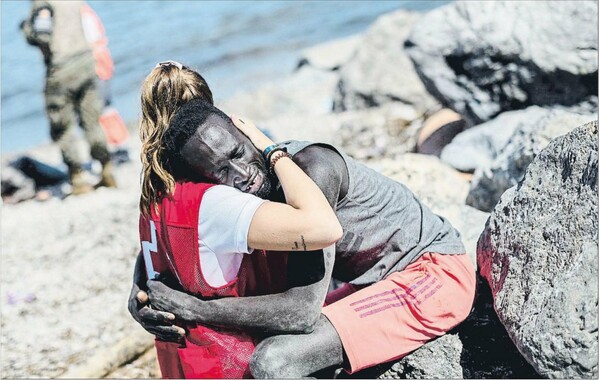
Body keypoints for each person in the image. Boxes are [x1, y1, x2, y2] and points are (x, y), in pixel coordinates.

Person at [129, 62, 476, 378]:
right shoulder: (235, 191)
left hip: (430, 273)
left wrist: (195, 309)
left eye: (239, 154)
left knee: (273, 360)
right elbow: (179, 230)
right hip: (373, 283)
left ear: (246, 133)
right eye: (221, 172)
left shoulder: (312, 168)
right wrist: (142, 289)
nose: (241, 175)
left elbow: (300, 312)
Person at [136, 62, 342, 378]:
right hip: (229, 361)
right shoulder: (213, 202)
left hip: (181, 364)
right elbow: (323, 229)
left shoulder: (154, 196)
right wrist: (273, 152)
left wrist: (138, 293)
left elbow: (156, 256)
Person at [20, 0, 116, 195]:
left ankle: (78, 177)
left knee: (62, 126)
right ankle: (106, 167)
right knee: (92, 120)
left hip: (62, 68)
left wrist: (26, 29)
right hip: (86, 62)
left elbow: (42, 35)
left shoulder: (43, 3)